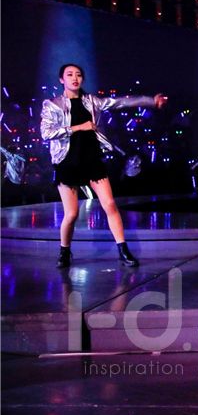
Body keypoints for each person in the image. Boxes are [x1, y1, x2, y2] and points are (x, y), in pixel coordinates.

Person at [40, 63, 167, 268]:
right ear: (62, 80)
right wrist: (78, 127)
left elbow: (120, 102)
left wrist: (151, 101)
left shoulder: (92, 101)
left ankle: (123, 250)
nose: (75, 78)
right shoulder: (52, 105)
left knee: (109, 205)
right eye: (70, 75)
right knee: (71, 214)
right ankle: (64, 251)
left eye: (78, 75)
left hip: (91, 159)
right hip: (67, 162)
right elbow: (46, 133)